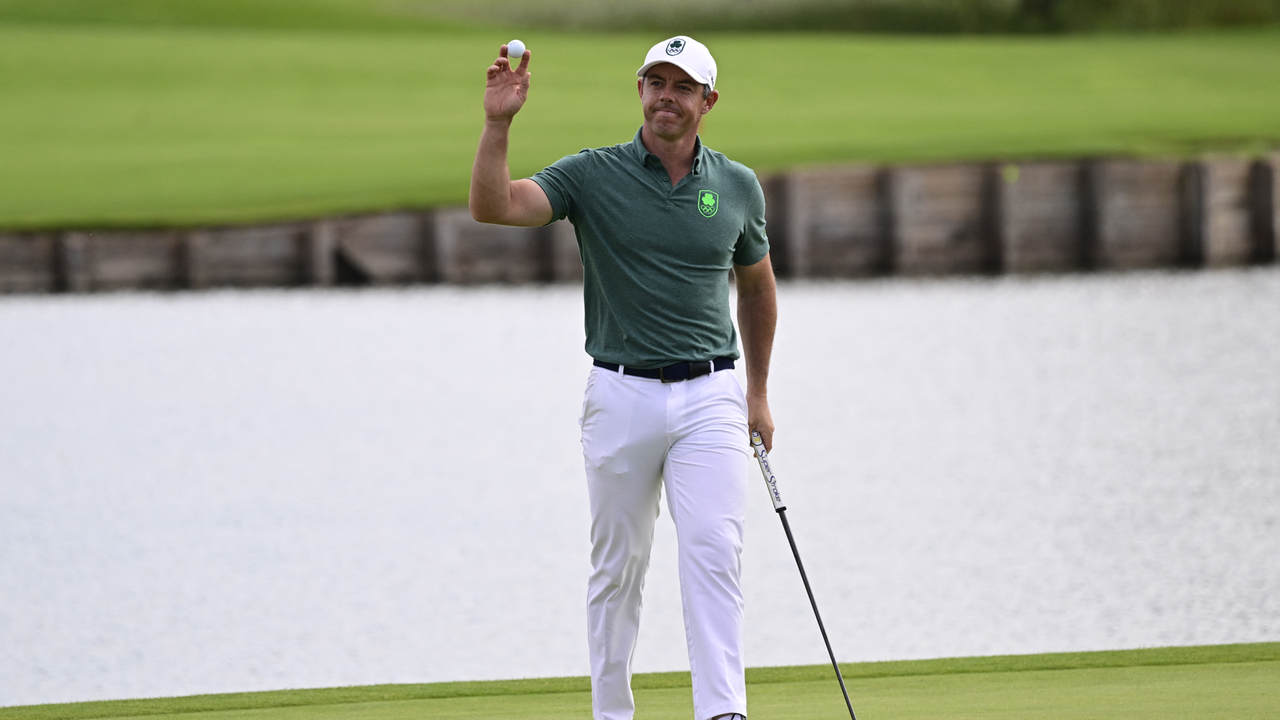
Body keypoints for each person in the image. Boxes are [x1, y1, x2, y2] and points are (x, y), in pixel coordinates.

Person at [469, 35, 777, 720]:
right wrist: (498, 127)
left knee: (714, 553)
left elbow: (757, 289)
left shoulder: (736, 186)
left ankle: (723, 711)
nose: (666, 96)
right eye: (654, 82)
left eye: (681, 86)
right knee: (619, 567)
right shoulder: (592, 175)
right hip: (621, 392)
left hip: (713, 395)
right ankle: (612, 712)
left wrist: (757, 393)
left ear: (708, 100)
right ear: (639, 90)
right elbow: (494, 207)